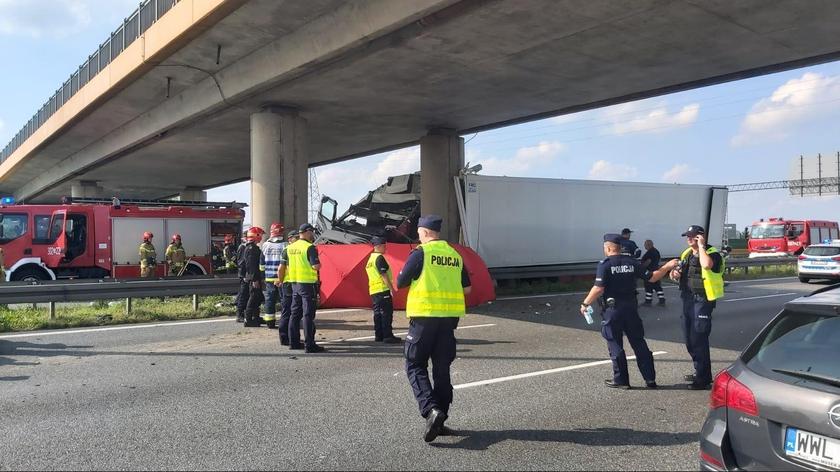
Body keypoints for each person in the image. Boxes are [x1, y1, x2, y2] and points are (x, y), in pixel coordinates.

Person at [397, 215, 471, 443]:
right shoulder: (454, 255)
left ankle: (431, 411)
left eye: (419, 232)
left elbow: (401, 282)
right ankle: (441, 419)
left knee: (414, 364)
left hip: (424, 319)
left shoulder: (421, 253)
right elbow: (467, 289)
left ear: (426, 232)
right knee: (442, 369)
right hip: (448, 321)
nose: (418, 236)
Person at [580, 234, 677, 390]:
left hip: (613, 310)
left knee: (615, 343)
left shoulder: (604, 265)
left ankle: (622, 380)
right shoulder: (632, 263)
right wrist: (666, 267)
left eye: (605, 247)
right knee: (639, 342)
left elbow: (598, 288)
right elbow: (652, 278)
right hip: (631, 309)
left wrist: (585, 303)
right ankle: (650, 379)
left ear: (609, 248)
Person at [670, 225, 725, 390]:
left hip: (702, 300)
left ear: (701, 237)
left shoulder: (712, 252)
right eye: (687, 236)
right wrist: (674, 274)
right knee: (689, 339)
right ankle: (700, 371)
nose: (688, 238)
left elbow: (707, 265)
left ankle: (702, 379)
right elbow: (678, 271)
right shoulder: (686, 253)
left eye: (692, 236)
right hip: (687, 299)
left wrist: (701, 246)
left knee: (698, 339)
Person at [277, 223, 324, 353]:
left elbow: (281, 268)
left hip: (294, 284)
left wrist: (280, 281)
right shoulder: (310, 247)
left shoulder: (289, 248)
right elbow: (316, 266)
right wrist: (319, 264)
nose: (313, 234)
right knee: (308, 314)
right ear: (308, 232)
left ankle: (294, 342)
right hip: (307, 284)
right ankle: (310, 344)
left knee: (295, 314)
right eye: (312, 232)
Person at [365, 236, 401, 343]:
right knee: (386, 313)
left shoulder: (370, 260)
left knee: (377, 313)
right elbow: (384, 275)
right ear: (379, 246)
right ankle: (387, 336)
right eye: (384, 246)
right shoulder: (379, 258)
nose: (386, 248)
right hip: (382, 289)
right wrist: (391, 289)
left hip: (374, 290)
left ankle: (379, 335)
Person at [235, 227, 266, 326]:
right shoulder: (251, 248)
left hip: (255, 277)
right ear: (255, 235)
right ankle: (248, 319)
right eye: (260, 235)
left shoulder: (253, 247)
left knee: (257, 297)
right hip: (253, 278)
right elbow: (251, 265)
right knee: (252, 298)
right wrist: (255, 279)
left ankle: (256, 317)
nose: (261, 237)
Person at [275, 230, 299, 345]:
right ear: (290, 239)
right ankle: (286, 337)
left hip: (291, 283)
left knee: (289, 311)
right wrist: (280, 280)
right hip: (289, 284)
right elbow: (281, 269)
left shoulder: (289, 250)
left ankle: (287, 337)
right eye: (296, 237)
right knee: (289, 312)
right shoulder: (289, 250)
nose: (298, 239)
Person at [261, 223, 286, 329]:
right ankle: (285, 320)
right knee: (284, 299)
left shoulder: (265, 245)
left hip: (269, 277)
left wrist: (263, 275)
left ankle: (270, 321)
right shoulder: (285, 245)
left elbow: (261, 264)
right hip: (282, 277)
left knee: (270, 299)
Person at [640, 239, 666, 306]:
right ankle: (662, 300)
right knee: (657, 286)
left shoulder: (649, 253)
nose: (644, 246)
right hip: (656, 271)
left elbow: (648, 262)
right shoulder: (656, 251)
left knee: (648, 287)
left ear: (648, 245)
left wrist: (642, 268)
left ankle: (648, 301)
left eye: (645, 245)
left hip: (649, 272)